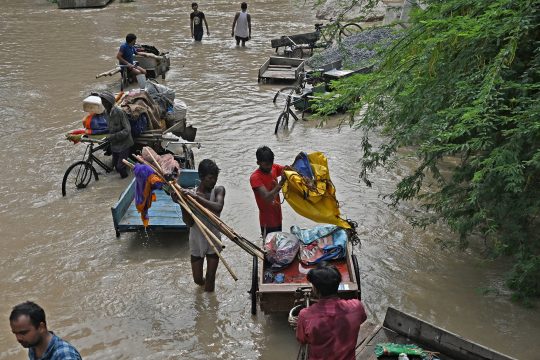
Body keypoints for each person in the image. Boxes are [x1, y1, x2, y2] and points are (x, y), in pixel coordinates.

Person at [296, 263, 367, 360]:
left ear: (315, 289)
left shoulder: (305, 315)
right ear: (337, 285)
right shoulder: (356, 306)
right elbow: (363, 319)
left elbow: (302, 339)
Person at [180, 159, 225, 292]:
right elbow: (189, 223)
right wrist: (182, 204)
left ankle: (211, 310)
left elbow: (218, 208)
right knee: (198, 279)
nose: (214, 181)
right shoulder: (190, 195)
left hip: (213, 239)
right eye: (210, 178)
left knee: (210, 279)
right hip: (196, 240)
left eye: (215, 178)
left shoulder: (218, 191)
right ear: (201, 177)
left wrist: (198, 198)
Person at [9, 301, 82, 360]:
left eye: (23, 333)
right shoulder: (33, 346)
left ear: (41, 327)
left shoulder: (65, 355)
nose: (18, 338)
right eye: (15, 333)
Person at [250, 146, 286, 237]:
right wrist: (281, 182)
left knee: (277, 245)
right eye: (266, 165)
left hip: (277, 217)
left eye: (271, 163)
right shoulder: (255, 177)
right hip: (267, 221)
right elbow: (267, 198)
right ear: (258, 163)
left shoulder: (273, 167)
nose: (269, 167)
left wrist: (297, 162)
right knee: (269, 248)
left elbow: (288, 171)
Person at [98, 91, 133, 179]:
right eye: (102, 101)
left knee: (120, 167)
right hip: (114, 144)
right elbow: (110, 128)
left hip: (124, 143)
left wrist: (113, 136)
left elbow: (127, 130)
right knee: (114, 166)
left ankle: (125, 180)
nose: (104, 104)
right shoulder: (106, 113)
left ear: (110, 102)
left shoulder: (120, 112)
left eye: (105, 102)